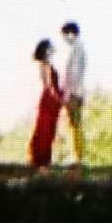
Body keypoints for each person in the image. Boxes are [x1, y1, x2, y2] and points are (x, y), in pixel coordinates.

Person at [28, 38, 65, 169]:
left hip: (53, 100)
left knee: (50, 129)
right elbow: (48, 86)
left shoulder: (48, 64)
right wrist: (59, 99)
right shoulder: (45, 65)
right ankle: (41, 160)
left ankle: (44, 160)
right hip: (50, 100)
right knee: (45, 129)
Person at [59, 20, 88, 170]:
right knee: (75, 125)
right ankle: (77, 156)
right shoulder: (78, 48)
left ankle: (78, 157)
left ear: (71, 33)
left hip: (74, 92)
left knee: (75, 125)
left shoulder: (77, 48)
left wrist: (67, 93)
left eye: (65, 35)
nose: (64, 39)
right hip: (77, 91)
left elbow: (74, 73)